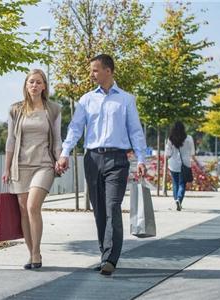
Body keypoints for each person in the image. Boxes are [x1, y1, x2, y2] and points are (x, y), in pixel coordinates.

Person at [56, 54, 147, 276]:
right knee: (99, 210)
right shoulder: (86, 100)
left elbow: (136, 131)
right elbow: (76, 128)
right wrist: (65, 153)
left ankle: (110, 258)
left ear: (108, 71)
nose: (92, 74)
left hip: (117, 160)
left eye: (95, 70)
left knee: (112, 207)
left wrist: (141, 159)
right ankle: (104, 253)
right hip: (92, 159)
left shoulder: (126, 100)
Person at [2, 69, 62, 270]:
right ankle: (31, 253)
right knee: (24, 212)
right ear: (26, 86)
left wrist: (60, 158)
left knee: (32, 206)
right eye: (31, 82)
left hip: (44, 164)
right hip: (20, 166)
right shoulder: (15, 109)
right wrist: (7, 168)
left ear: (44, 86)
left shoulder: (53, 109)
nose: (34, 85)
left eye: (38, 82)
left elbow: (57, 139)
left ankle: (36, 254)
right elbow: (10, 140)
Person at [165, 121, 198, 211]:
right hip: (185, 164)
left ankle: (176, 200)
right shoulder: (189, 138)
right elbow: (192, 153)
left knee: (175, 183)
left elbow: (168, 153)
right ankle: (179, 199)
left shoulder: (171, 139)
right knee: (182, 183)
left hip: (173, 164)